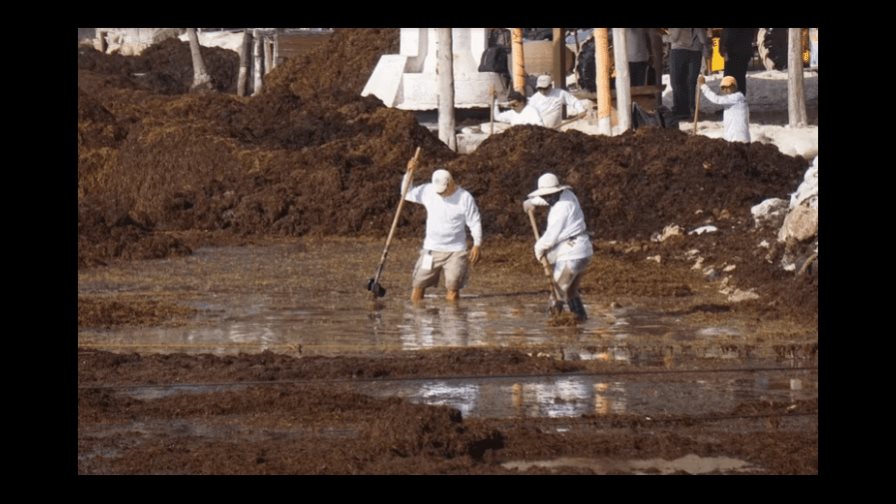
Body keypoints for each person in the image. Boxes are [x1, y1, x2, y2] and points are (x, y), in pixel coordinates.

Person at [403, 159, 482, 303]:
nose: (440, 194)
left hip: (456, 251)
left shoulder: (464, 198)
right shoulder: (428, 190)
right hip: (431, 249)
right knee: (418, 284)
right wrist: (409, 173)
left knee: (453, 288)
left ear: (450, 183)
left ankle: (453, 322)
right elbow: (406, 194)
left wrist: (477, 244)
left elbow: (474, 221)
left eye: (444, 191)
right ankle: (418, 321)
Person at [522, 173, 593, 321]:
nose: (547, 198)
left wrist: (538, 249)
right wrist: (533, 202)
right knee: (571, 292)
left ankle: (552, 326)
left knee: (557, 293)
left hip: (571, 254)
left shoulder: (560, 210)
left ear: (556, 192)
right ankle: (580, 321)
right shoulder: (567, 195)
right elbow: (549, 201)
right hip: (583, 251)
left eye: (548, 195)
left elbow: (550, 237)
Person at [668, 28, 712, 118]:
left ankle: (680, 109)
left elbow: (674, 38)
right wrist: (707, 49)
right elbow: (703, 39)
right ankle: (691, 107)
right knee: (691, 82)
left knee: (677, 81)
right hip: (695, 52)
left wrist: (662, 37)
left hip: (679, 50)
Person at [697, 74, 750, 143]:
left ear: (734, 87)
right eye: (723, 88)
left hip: (738, 139)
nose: (725, 90)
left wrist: (703, 86)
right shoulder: (735, 99)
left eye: (727, 87)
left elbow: (716, 99)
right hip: (734, 138)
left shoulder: (736, 98)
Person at [720, 28, 756, 97]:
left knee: (730, 78)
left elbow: (730, 35)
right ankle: (740, 100)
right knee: (741, 78)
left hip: (734, 53)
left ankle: (731, 102)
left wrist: (725, 47)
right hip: (744, 51)